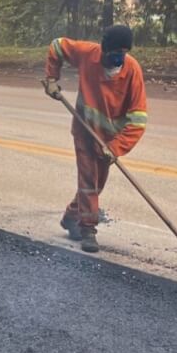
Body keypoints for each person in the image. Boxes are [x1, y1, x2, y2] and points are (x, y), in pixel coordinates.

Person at [43, 24, 148, 253]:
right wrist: (51, 79)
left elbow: (138, 120)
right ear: (103, 50)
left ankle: (71, 216)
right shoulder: (86, 54)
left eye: (123, 53)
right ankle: (88, 230)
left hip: (109, 141)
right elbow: (57, 46)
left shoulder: (132, 71)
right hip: (84, 131)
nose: (119, 59)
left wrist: (116, 147)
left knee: (97, 184)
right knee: (89, 180)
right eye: (114, 54)